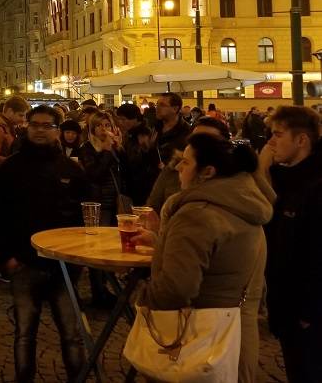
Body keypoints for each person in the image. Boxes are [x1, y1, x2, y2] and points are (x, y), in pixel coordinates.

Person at [135, 134, 272, 383]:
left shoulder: (196, 214)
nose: (178, 167)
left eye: (186, 162)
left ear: (207, 171)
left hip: (194, 332)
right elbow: (218, 258)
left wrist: (144, 297)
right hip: (229, 326)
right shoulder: (244, 204)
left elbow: (177, 288)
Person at [0, 105, 88, 381]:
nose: (40, 130)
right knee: (24, 333)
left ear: (57, 131)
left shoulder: (71, 169)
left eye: (47, 126)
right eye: (35, 125)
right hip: (23, 263)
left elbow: (82, 216)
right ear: (27, 127)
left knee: (72, 333)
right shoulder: (12, 167)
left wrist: (78, 259)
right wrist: (3, 258)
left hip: (63, 265)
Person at [262, 106, 322, 382]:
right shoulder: (286, 181)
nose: (271, 142)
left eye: (278, 134)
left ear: (302, 140)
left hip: (308, 315)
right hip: (287, 309)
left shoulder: (315, 187)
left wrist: (308, 312)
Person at [73, 111, 125, 308]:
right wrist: (105, 152)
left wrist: (119, 150)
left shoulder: (114, 147)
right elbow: (94, 174)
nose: (104, 130)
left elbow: (126, 170)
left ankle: (106, 287)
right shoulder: (86, 149)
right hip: (98, 203)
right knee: (98, 249)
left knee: (110, 247)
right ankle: (99, 291)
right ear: (92, 129)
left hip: (115, 202)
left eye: (107, 125)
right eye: (99, 126)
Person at [114, 103, 157, 206]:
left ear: (135, 119)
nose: (120, 122)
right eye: (119, 119)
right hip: (132, 187)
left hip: (141, 189)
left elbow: (135, 162)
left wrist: (119, 149)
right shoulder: (129, 133)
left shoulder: (143, 135)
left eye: (124, 119)